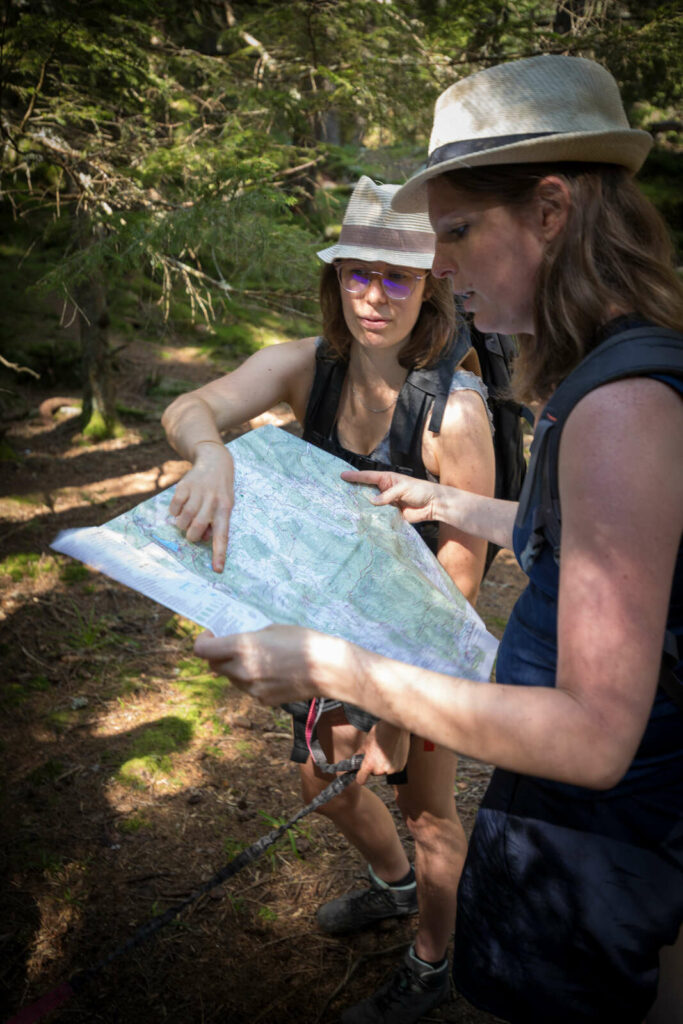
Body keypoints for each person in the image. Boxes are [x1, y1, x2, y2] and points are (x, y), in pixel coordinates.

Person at [193, 55, 683, 1024]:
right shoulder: (621, 371)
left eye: (454, 231)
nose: (438, 265)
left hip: (587, 848)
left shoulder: (620, 406)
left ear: (550, 211)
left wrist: (347, 670)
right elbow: (607, 544)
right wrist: (451, 504)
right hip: (599, 840)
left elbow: (591, 736)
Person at [161, 176, 496, 1024]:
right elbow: (191, 405)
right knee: (322, 772)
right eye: (357, 274)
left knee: (425, 808)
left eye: (396, 277)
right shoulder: (306, 366)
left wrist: (390, 706)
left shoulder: (453, 414)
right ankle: (394, 888)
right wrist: (210, 453)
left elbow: (461, 575)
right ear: (335, 277)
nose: (373, 297)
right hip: (323, 620)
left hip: (418, 639)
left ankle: (433, 957)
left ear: (430, 285)